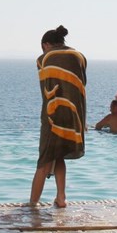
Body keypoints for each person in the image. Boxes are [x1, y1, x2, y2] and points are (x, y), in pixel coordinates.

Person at [30, 25, 87, 208]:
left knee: (44, 159)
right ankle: (61, 197)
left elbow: (46, 88)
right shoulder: (80, 57)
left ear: (46, 44)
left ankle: (32, 204)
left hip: (53, 115)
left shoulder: (45, 58)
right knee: (59, 156)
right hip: (75, 116)